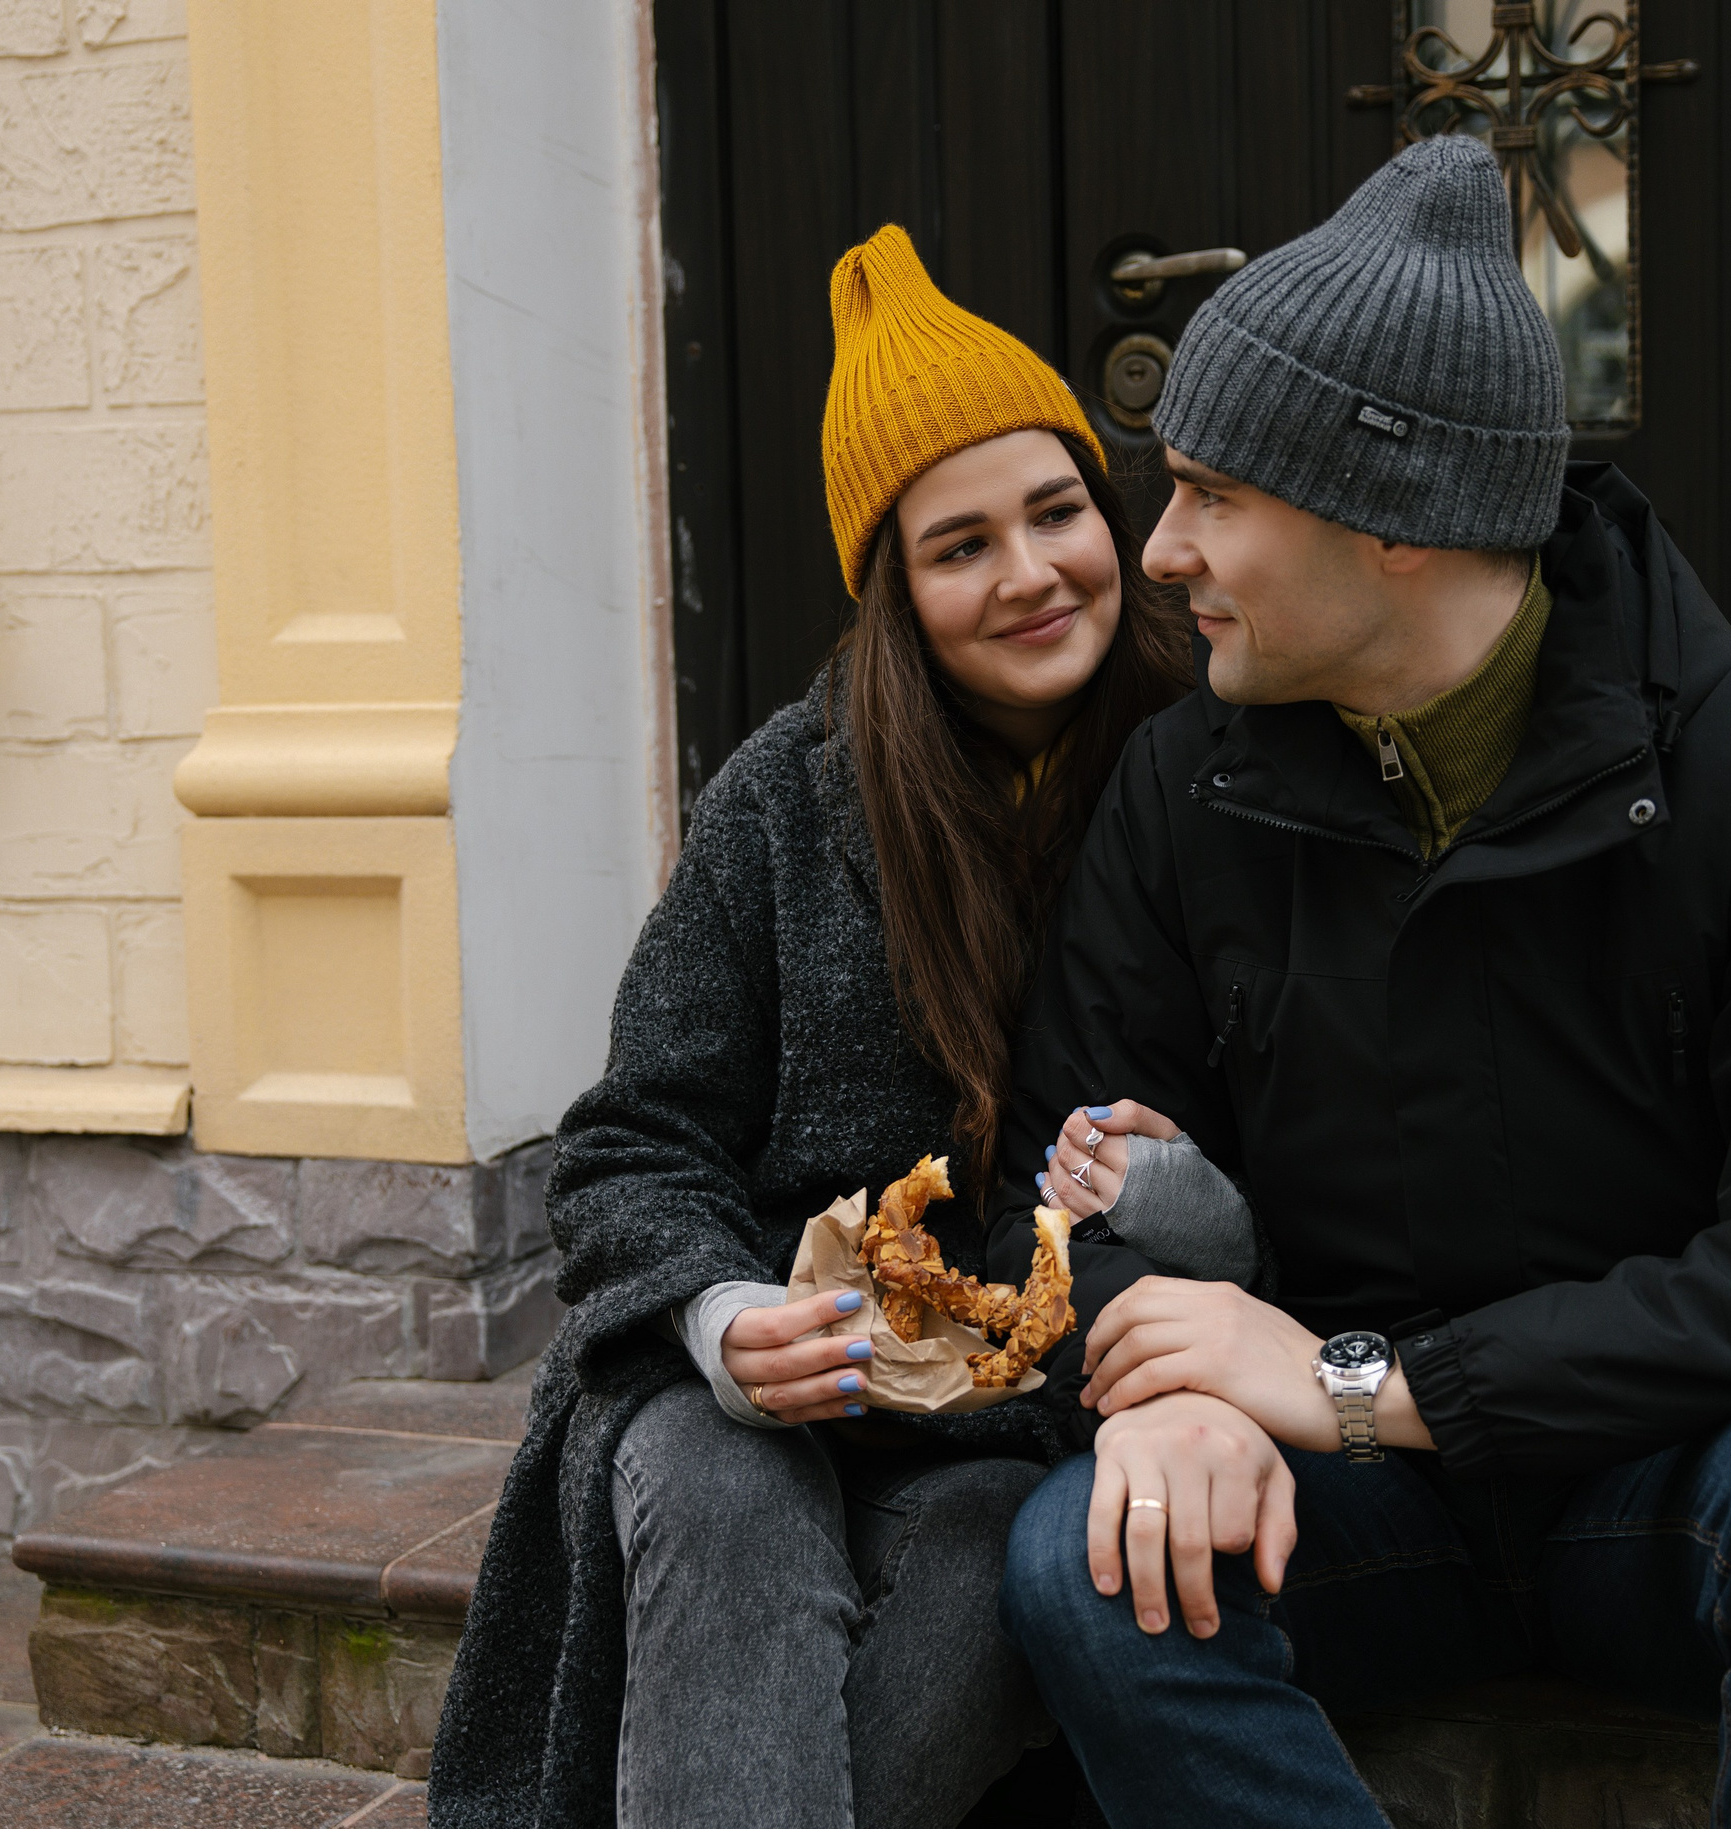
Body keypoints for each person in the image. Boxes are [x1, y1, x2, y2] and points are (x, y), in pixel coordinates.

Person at [985, 136, 1731, 1827]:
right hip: (1354, 1513)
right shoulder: (1183, 792)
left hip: (1676, 1474)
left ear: (1395, 522)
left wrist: (1357, 1386)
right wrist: (1156, 1387)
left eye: (1216, 495)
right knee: (1088, 1559)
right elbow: (1060, 1180)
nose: (1158, 553)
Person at [429, 226, 1190, 1829]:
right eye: (961, 544)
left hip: (1007, 1420)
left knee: (999, 1573)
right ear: (897, 588)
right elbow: (633, 1137)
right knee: (722, 1494)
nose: (1033, 571)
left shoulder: (1195, 773)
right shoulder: (785, 795)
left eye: (1058, 511)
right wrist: (717, 1313)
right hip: (743, 1390)